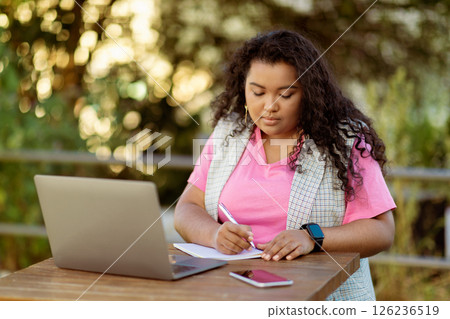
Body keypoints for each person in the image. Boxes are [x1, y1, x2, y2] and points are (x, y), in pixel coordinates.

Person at [174, 30, 396, 301]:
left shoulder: (346, 141)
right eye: (257, 92)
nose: (269, 106)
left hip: (322, 298)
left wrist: (312, 238)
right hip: (231, 293)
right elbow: (187, 208)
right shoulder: (228, 132)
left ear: (309, 93)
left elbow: (382, 231)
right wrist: (214, 234)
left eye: (286, 94)